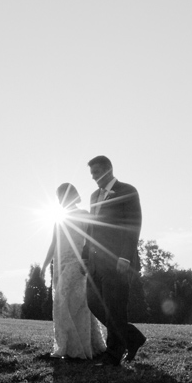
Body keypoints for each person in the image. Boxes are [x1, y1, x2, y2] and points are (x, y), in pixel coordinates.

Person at [81, 156, 146, 366]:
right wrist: (84, 254)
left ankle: (113, 354)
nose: (94, 177)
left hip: (118, 260)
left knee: (115, 307)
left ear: (108, 169)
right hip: (95, 261)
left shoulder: (128, 191)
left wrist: (125, 256)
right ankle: (132, 337)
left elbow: (134, 225)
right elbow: (91, 228)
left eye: (97, 172)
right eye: (92, 174)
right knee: (93, 303)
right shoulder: (94, 196)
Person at [42, 183, 107, 359]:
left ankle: (75, 347)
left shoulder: (84, 216)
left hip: (78, 263)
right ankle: (70, 345)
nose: (59, 201)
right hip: (60, 264)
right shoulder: (59, 217)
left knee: (72, 304)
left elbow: (91, 241)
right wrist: (45, 264)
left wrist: (90, 262)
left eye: (61, 196)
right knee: (65, 303)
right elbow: (54, 243)